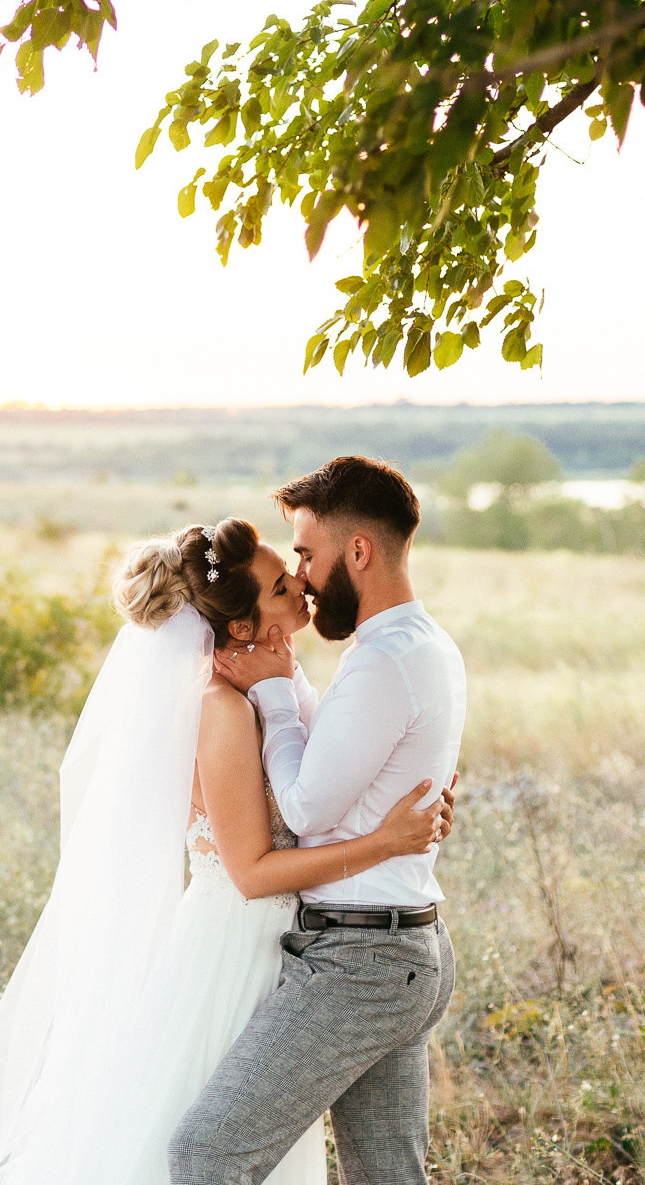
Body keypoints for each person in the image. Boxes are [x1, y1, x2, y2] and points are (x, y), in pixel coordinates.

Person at [0, 514, 455, 1185]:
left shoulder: (270, 687)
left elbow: (328, 783)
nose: (300, 585)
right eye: (279, 586)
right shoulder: (223, 710)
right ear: (239, 626)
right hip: (235, 951)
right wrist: (383, 843)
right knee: (195, 1149)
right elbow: (252, 872)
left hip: (288, 948)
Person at [169, 457, 467, 1185]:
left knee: (206, 1151)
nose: (301, 576)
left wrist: (273, 691)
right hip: (400, 946)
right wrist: (283, 679)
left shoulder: (381, 662)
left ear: (357, 551)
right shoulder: (420, 643)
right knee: (387, 1175)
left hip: (362, 962)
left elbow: (303, 807)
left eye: (305, 554)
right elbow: (352, 765)